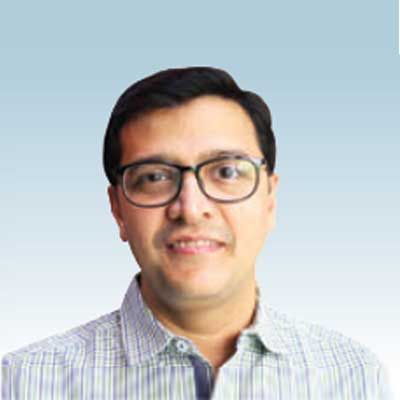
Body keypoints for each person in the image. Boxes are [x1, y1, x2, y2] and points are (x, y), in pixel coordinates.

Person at [2, 67, 393, 400]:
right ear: (118, 209)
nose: (190, 208)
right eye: (154, 177)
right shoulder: (24, 383)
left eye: (226, 171)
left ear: (270, 199)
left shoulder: (352, 377)